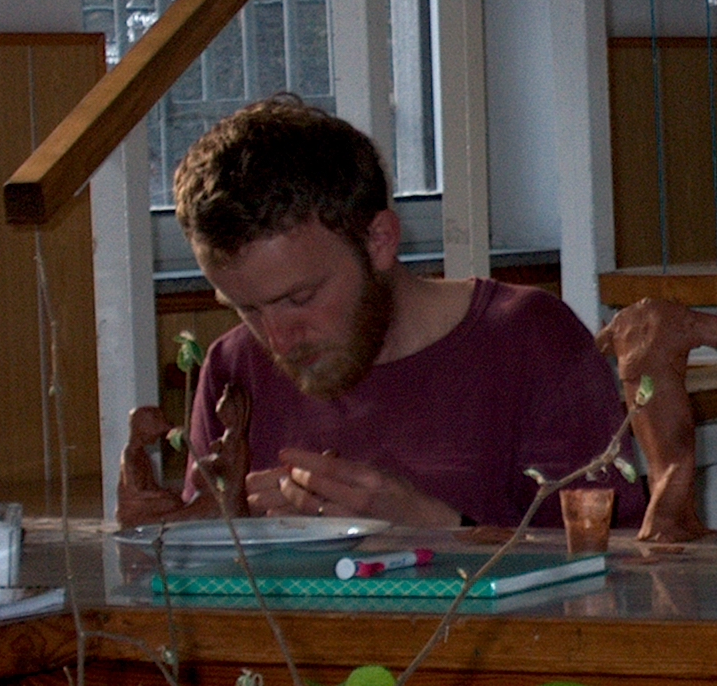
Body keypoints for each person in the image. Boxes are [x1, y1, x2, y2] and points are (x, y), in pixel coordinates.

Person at [118, 94, 642, 531]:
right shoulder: (233, 368)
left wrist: (438, 527)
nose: (277, 340)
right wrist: (165, 539)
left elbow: (618, 573)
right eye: (245, 308)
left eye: (300, 299)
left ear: (379, 241)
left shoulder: (530, 339)